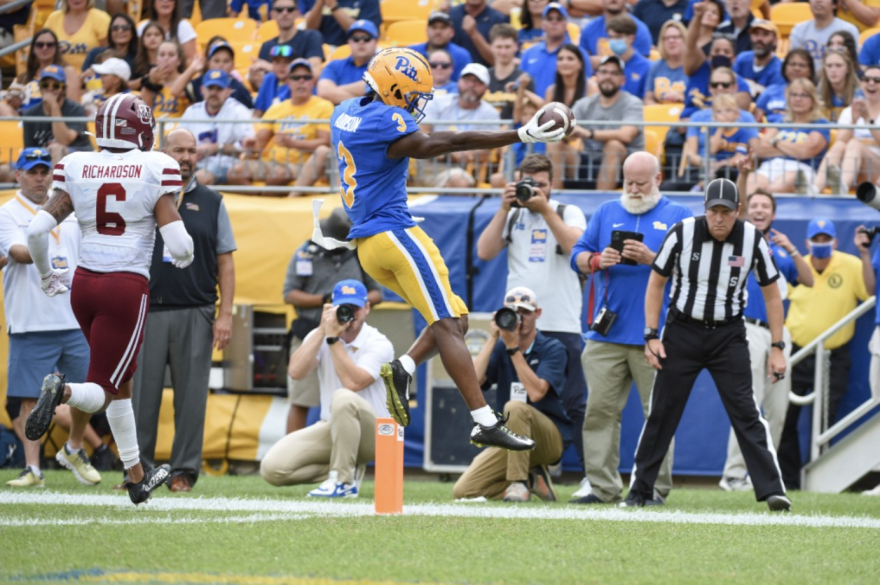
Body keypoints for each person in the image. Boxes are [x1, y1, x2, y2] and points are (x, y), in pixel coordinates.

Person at [330, 47, 568, 451]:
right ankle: (483, 420)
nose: (418, 102)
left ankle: (403, 368)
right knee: (446, 323)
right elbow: (447, 141)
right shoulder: (386, 121)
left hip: (370, 247)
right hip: (395, 234)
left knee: (455, 321)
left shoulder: (345, 109)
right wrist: (520, 135)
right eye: (413, 93)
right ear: (393, 89)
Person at [23, 93, 195, 505]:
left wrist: (48, 276)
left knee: (121, 383)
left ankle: (136, 477)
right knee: (105, 385)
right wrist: (184, 256)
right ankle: (61, 394)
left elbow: (34, 232)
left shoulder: (79, 165)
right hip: (124, 287)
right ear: (142, 130)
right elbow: (180, 245)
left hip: (83, 286)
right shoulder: (154, 169)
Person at [623, 178, 791, 512]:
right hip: (681, 333)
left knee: (747, 412)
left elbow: (773, 294)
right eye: (713, 211)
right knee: (662, 413)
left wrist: (777, 346)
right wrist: (651, 335)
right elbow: (656, 283)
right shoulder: (682, 232)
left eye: (725, 212)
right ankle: (639, 491)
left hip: (728, 336)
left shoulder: (752, 239)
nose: (719, 218)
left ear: (737, 212)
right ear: (704, 210)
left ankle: (773, 490)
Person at [569, 152, 692, 505]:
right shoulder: (607, 210)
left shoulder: (679, 216)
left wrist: (653, 259)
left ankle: (651, 489)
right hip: (606, 333)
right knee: (598, 413)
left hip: (657, 335)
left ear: (659, 178)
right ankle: (602, 487)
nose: (634, 190)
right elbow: (577, 253)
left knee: (659, 415)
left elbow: (694, 267)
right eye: (628, 182)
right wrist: (596, 260)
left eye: (641, 182)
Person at [129, 128, 236, 493]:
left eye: (192, 150)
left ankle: (183, 472)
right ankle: (137, 472)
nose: (186, 156)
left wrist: (225, 314)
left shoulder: (213, 201)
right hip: (148, 312)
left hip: (197, 312)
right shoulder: (143, 195)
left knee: (191, 399)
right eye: (179, 150)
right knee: (141, 398)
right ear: (162, 152)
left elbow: (227, 263)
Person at [476, 153, 588, 471]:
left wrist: (544, 209)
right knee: (518, 400)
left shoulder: (567, 211)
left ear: (552, 184)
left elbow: (576, 248)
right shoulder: (513, 215)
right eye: (527, 184)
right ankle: (529, 471)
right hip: (518, 326)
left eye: (540, 185)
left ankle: (587, 475)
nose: (534, 191)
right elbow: (484, 252)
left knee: (574, 403)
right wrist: (502, 208)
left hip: (561, 320)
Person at [0, 148, 97, 489]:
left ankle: (73, 448)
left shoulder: (69, 208)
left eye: (45, 171)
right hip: (31, 317)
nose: (40, 178)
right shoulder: (8, 212)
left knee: (88, 390)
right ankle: (33, 468)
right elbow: (18, 253)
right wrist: (47, 261)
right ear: (18, 176)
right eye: (33, 172)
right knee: (29, 397)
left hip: (73, 315)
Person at [714, 172, 814, 492]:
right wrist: (743, 175)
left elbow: (809, 280)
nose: (759, 210)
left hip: (778, 336)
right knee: (749, 404)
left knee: (778, 410)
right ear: (745, 209)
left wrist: (793, 249)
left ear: (773, 213)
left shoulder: (780, 251)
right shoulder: (737, 238)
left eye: (765, 206)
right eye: (753, 205)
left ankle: (762, 475)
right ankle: (733, 474)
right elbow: (736, 210)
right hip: (745, 330)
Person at [260, 279, 393, 498]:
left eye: (356, 308)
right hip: (333, 426)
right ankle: (347, 469)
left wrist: (333, 339)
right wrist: (323, 330)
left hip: (376, 433)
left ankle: (342, 481)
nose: (350, 314)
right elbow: (296, 372)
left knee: (342, 396)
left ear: (367, 308)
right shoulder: (322, 335)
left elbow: (354, 383)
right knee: (272, 469)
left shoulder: (379, 343)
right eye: (344, 308)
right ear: (332, 308)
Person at [452, 287, 573, 502]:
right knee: (463, 491)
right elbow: (474, 382)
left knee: (514, 408)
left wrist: (513, 349)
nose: (519, 319)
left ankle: (518, 484)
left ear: (538, 313)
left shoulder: (552, 348)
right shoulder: (500, 346)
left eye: (525, 312)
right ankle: (530, 479)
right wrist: (492, 338)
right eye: (512, 312)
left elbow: (536, 393)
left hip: (549, 440)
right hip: (513, 440)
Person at [779, 219, 870, 490]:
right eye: (816, 240)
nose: (821, 244)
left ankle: (817, 480)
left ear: (835, 241)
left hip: (833, 356)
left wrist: (865, 254)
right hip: (796, 353)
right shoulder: (798, 265)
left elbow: (869, 293)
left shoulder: (851, 265)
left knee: (824, 421)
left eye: (825, 239)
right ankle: (791, 482)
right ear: (807, 243)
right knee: (785, 418)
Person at [282, 209, 384, 434]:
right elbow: (289, 294)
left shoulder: (358, 254)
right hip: (312, 331)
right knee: (301, 399)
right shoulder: (306, 253)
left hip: (351, 335)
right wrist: (326, 302)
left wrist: (355, 305)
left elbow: (377, 293)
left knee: (350, 394)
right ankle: (291, 452)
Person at [229, 59, 333, 191]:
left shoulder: (324, 106)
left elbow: (325, 143)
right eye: (296, 77)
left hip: (302, 163)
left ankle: (265, 204)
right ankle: (259, 201)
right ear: (288, 82)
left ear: (313, 82)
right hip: (272, 161)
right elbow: (259, 143)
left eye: (306, 77)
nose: (301, 81)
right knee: (234, 171)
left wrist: (294, 143)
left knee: (278, 174)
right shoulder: (277, 108)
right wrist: (251, 145)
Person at [551, 55, 644, 190]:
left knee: (613, 145)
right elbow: (565, 129)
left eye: (614, 73)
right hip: (588, 162)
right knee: (555, 142)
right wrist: (566, 133)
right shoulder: (584, 104)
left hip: (625, 168)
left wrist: (588, 133)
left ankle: (601, 204)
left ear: (622, 80)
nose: (608, 77)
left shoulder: (632, 103)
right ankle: (553, 200)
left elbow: (627, 135)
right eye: (604, 72)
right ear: (597, 77)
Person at [420, 63, 503, 185]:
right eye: (467, 80)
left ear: (486, 88)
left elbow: (484, 151)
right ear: (458, 81)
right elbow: (422, 131)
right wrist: (453, 152)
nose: (471, 85)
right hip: (426, 163)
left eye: (478, 82)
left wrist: (443, 150)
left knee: (460, 180)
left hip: (462, 169)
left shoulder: (490, 114)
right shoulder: (438, 102)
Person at [747, 78, 830, 195]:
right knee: (751, 186)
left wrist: (776, 142)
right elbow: (761, 148)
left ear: (813, 100)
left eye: (804, 95)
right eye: (794, 94)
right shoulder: (781, 121)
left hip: (801, 169)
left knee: (774, 190)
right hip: (770, 166)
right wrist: (795, 150)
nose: (798, 99)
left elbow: (806, 151)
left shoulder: (820, 123)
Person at [179, 70, 255, 185]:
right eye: (210, 88)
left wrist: (216, 147)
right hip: (193, 163)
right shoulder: (192, 111)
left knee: (200, 178)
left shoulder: (238, 111)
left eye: (219, 89)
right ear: (202, 90)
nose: (214, 93)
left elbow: (248, 149)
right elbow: (178, 142)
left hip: (225, 165)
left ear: (228, 91)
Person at [815, 65, 880, 195]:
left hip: (876, 169)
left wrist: (868, 121)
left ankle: (842, 186)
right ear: (861, 83)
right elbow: (840, 142)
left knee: (855, 144)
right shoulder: (849, 112)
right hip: (851, 167)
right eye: (866, 79)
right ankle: (815, 188)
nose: (871, 83)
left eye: (877, 80)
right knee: (840, 145)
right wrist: (853, 122)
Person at [521, 3, 592, 99]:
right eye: (549, 19)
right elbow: (521, 84)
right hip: (533, 111)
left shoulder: (579, 53)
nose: (554, 22)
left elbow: (588, 86)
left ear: (566, 23)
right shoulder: (529, 53)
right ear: (543, 24)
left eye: (559, 19)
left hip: (568, 110)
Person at [252, 0, 324, 93]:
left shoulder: (311, 37)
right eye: (279, 9)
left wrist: (272, 68)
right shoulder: (266, 46)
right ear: (272, 14)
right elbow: (260, 87)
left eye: (290, 9)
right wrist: (254, 78)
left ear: (298, 13)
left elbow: (314, 73)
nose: (285, 13)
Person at [22, 66, 93, 161]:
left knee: (55, 149)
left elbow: (63, 141)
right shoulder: (30, 114)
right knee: (5, 171)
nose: (50, 89)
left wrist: (54, 107)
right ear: (40, 88)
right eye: (45, 85)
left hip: (78, 157)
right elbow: (30, 149)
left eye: (55, 86)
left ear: (63, 89)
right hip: (43, 160)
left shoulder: (76, 109)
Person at [14, 29, 81, 112]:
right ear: (33, 49)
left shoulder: (67, 71)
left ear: (56, 48)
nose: (44, 48)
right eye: (40, 45)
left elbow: (73, 107)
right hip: (23, 118)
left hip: (53, 117)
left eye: (49, 45)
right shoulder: (25, 75)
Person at [317, 20, 378, 105]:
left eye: (366, 38)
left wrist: (336, 90)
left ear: (375, 42)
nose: (361, 42)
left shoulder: (384, 67)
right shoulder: (334, 65)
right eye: (356, 39)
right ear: (349, 42)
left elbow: (377, 88)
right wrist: (364, 103)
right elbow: (324, 91)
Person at [790, 0, 861, 74]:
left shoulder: (848, 29)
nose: (818, 1)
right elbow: (794, 62)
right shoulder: (799, 29)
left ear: (834, 4)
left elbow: (853, 63)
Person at [579, 0, 652, 69]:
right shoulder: (588, 29)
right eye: (611, 37)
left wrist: (604, 61)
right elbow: (581, 61)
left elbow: (641, 66)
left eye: (619, 37)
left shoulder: (640, 30)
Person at [44, 0, 111, 72]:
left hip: (91, 76)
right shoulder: (53, 18)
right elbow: (42, 47)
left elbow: (109, 54)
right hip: (56, 76)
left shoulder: (101, 18)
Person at [486, 24, 535, 121]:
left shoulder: (525, 79)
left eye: (507, 47)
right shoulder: (483, 77)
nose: (503, 52)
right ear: (491, 47)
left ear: (516, 46)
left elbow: (528, 114)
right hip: (484, 131)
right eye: (499, 47)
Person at [409, 11, 473, 83]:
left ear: (452, 32)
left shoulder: (462, 55)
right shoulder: (411, 52)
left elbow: (464, 84)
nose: (438, 31)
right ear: (427, 30)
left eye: (443, 27)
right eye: (434, 27)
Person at [755, 49, 815, 124]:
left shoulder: (815, 94)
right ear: (784, 68)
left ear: (810, 71)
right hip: (768, 132)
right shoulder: (770, 91)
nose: (796, 68)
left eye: (802, 65)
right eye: (792, 64)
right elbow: (757, 121)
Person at [139, 40, 193, 120]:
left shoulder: (185, 81)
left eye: (171, 55)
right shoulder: (150, 81)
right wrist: (151, 82)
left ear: (179, 61)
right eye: (162, 55)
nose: (166, 58)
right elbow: (141, 111)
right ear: (156, 60)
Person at [733, 19, 784, 99]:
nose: (759, 39)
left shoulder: (779, 68)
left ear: (775, 41)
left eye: (765, 34)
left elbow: (775, 99)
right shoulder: (742, 59)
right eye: (756, 34)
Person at [605, 15, 652, 100]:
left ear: (631, 38)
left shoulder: (647, 67)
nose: (614, 41)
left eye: (618, 37)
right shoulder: (606, 65)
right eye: (611, 37)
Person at [450, 0, 509, 67]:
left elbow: (497, 60)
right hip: (455, 73)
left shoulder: (498, 19)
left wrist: (474, 33)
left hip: (487, 73)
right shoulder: (452, 15)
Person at [303, 0, 382, 48]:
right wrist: (319, 2)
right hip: (322, 52)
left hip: (353, 51)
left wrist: (334, 7)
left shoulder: (369, 1)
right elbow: (310, 29)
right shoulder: (321, 2)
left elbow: (365, 32)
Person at [81, 12, 137, 79]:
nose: (120, 31)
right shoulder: (95, 53)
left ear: (132, 32)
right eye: (115, 28)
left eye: (125, 27)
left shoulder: (138, 58)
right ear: (110, 32)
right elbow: (81, 81)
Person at [644, 20, 687, 105]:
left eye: (675, 37)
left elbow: (699, 100)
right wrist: (660, 111)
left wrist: (681, 99)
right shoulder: (655, 66)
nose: (671, 41)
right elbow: (648, 99)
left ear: (684, 39)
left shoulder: (693, 66)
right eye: (666, 38)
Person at [254, 45, 297, 118]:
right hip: (268, 126)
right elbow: (258, 112)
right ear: (272, 64)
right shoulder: (268, 79)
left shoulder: (299, 81)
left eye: (286, 62)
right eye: (277, 62)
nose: (281, 66)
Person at [817, 50, 860, 123]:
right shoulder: (817, 93)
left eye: (838, 65)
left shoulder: (859, 94)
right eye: (829, 66)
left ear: (848, 68)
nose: (833, 70)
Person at [131, 21, 164, 91]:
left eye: (157, 34)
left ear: (163, 38)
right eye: (148, 35)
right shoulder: (137, 63)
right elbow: (127, 86)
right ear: (142, 40)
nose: (152, 38)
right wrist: (146, 79)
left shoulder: (170, 60)